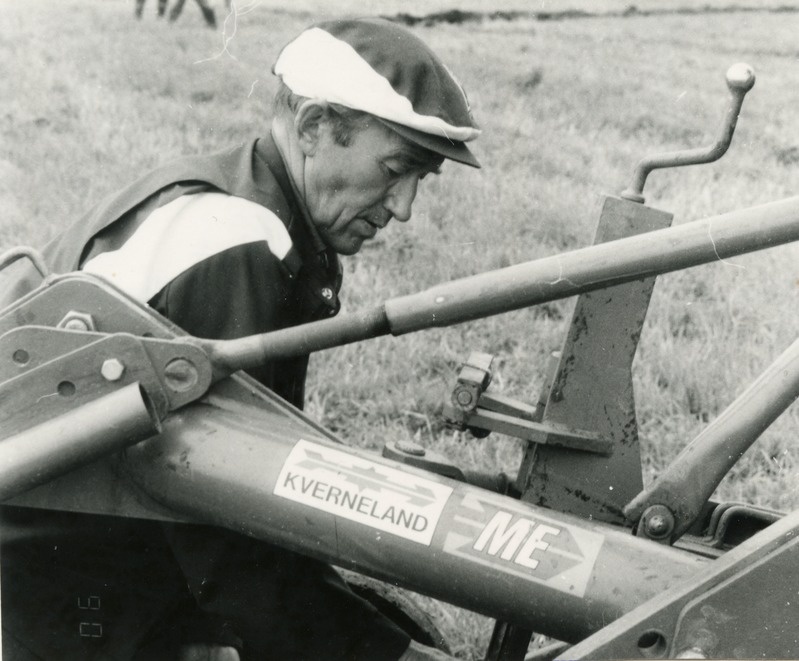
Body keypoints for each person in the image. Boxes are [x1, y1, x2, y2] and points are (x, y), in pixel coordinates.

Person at [0, 17, 479, 661]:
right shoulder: (235, 240)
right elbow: (229, 537)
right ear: (312, 127)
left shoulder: (268, 212)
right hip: (63, 582)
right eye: (395, 169)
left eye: (421, 180)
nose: (404, 207)